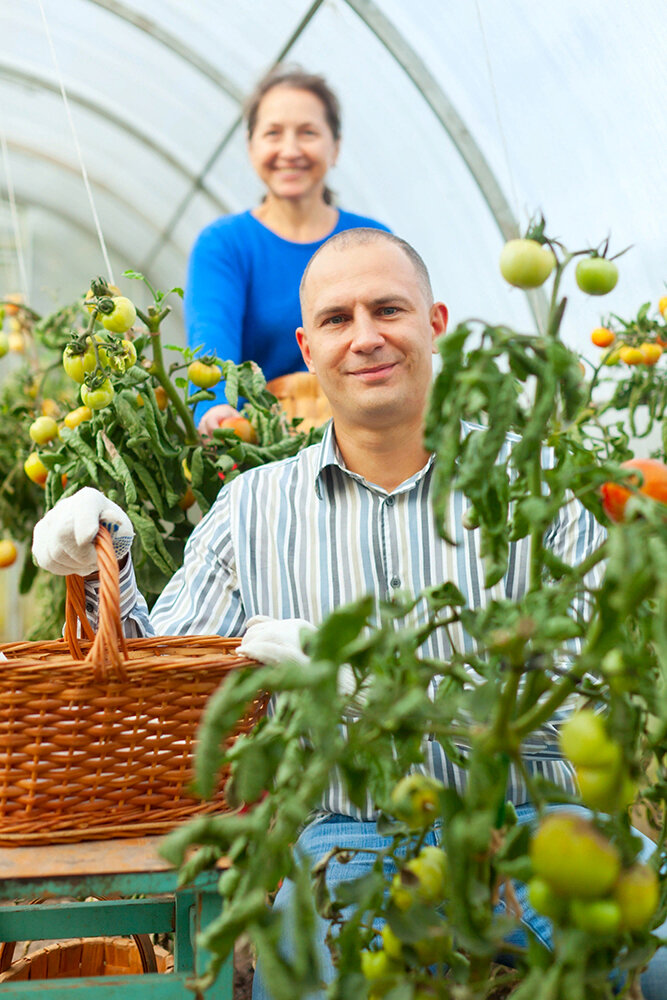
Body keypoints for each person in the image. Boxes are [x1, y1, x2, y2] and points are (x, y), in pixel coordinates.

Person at [32, 229, 666, 999]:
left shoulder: (528, 488)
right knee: (306, 984)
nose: (365, 337)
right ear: (306, 345)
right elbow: (168, 701)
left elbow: (595, 700)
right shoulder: (252, 510)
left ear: (434, 322)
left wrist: (389, 692)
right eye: (337, 319)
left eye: (387, 309)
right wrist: (105, 572)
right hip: (351, 841)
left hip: (541, 825)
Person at [185, 65, 390, 436]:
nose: (290, 150)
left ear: (336, 146)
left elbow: (398, 335)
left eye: (308, 132)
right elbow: (210, 338)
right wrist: (214, 407)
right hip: (261, 444)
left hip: (367, 434)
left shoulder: (371, 240)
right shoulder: (226, 244)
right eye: (273, 133)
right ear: (251, 147)